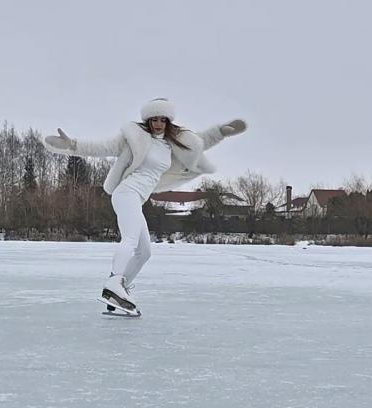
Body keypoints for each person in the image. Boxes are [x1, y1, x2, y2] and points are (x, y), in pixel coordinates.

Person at [44, 98, 248, 313]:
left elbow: (198, 143)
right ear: (147, 120)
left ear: (168, 121)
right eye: (154, 119)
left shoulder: (171, 144)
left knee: (144, 252)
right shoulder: (135, 138)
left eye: (162, 119)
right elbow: (103, 147)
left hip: (138, 198)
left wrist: (220, 133)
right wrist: (72, 145)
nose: (158, 123)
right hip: (126, 192)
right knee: (130, 239)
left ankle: (118, 289)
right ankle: (113, 285)